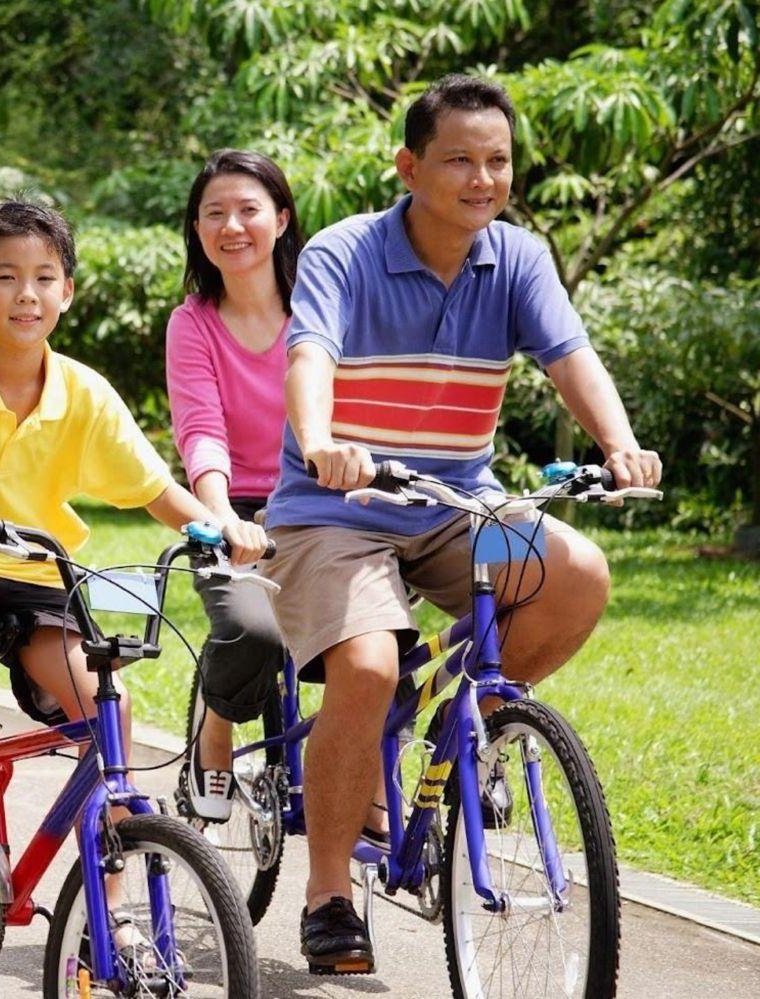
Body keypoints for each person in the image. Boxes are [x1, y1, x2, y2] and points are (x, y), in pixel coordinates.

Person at [261, 74, 662, 975]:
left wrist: (622, 443)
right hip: (339, 509)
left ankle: (465, 730)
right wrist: (321, 440)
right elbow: (310, 356)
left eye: (498, 160)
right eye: (460, 160)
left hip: (459, 501)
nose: (483, 178)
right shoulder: (342, 251)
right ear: (409, 167)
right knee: (363, 667)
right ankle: (330, 892)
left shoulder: (516, 257)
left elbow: (571, 358)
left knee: (578, 575)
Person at [0, 199, 268, 886]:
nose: (27, 294)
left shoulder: (84, 392)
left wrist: (214, 526)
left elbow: (154, 485)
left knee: (108, 703)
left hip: (36, 574)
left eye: (45, 277)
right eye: (6, 276)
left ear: (66, 292)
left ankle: (113, 898)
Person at [165, 149, 305, 822]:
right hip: (230, 506)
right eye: (214, 213)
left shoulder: (318, 307)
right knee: (252, 627)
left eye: (248, 209)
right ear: (197, 229)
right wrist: (221, 514)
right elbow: (201, 430)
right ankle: (216, 727)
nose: (232, 225)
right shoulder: (192, 322)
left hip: (314, 501)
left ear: (281, 219)